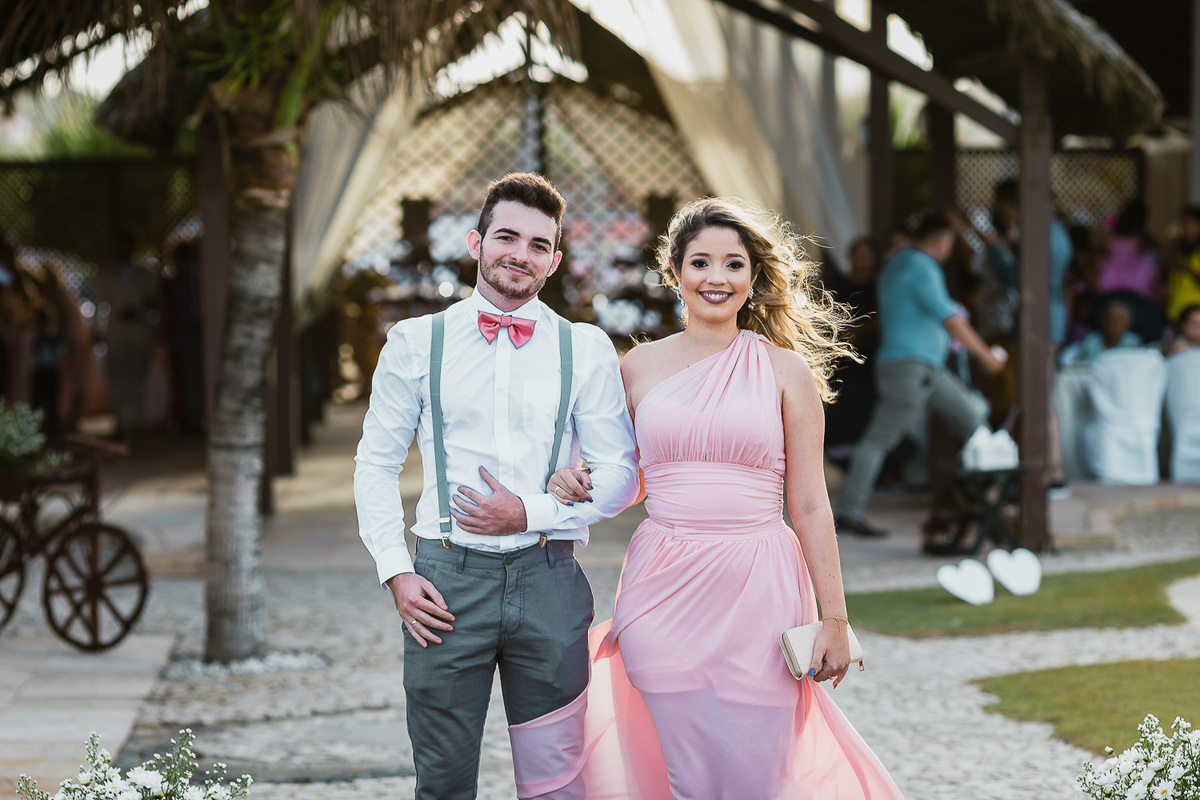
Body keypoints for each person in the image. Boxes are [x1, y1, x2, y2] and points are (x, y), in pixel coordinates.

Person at [542, 197, 904, 799]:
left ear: (753, 277)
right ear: (675, 272)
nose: (717, 278)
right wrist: (571, 479)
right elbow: (624, 477)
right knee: (683, 768)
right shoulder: (636, 367)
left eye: (733, 264)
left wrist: (834, 620)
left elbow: (811, 503)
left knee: (757, 769)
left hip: (760, 587)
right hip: (663, 583)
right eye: (701, 262)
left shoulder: (788, 373)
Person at [353, 172, 639, 800]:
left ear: (555, 260)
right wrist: (397, 572)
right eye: (506, 237)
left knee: (558, 781)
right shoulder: (414, 342)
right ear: (476, 242)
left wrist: (531, 512)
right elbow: (374, 464)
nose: (521, 254)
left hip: (550, 581)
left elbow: (621, 474)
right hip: (444, 584)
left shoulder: (585, 348)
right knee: (444, 781)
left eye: (539, 245)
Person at [835, 212, 1006, 538]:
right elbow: (949, 317)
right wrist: (986, 357)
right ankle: (849, 511)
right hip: (911, 367)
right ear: (942, 242)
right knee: (879, 439)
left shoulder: (894, 266)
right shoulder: (921, 265)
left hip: (923, 367)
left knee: (974, 416)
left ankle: (986, 503)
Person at [1167, 206, 1200, 325]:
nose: (1186, 229)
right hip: (1175, 310)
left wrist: (1189, 269)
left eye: (1190, 226)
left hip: (1196, 313)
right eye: (1184, 225)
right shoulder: (1179, 249)